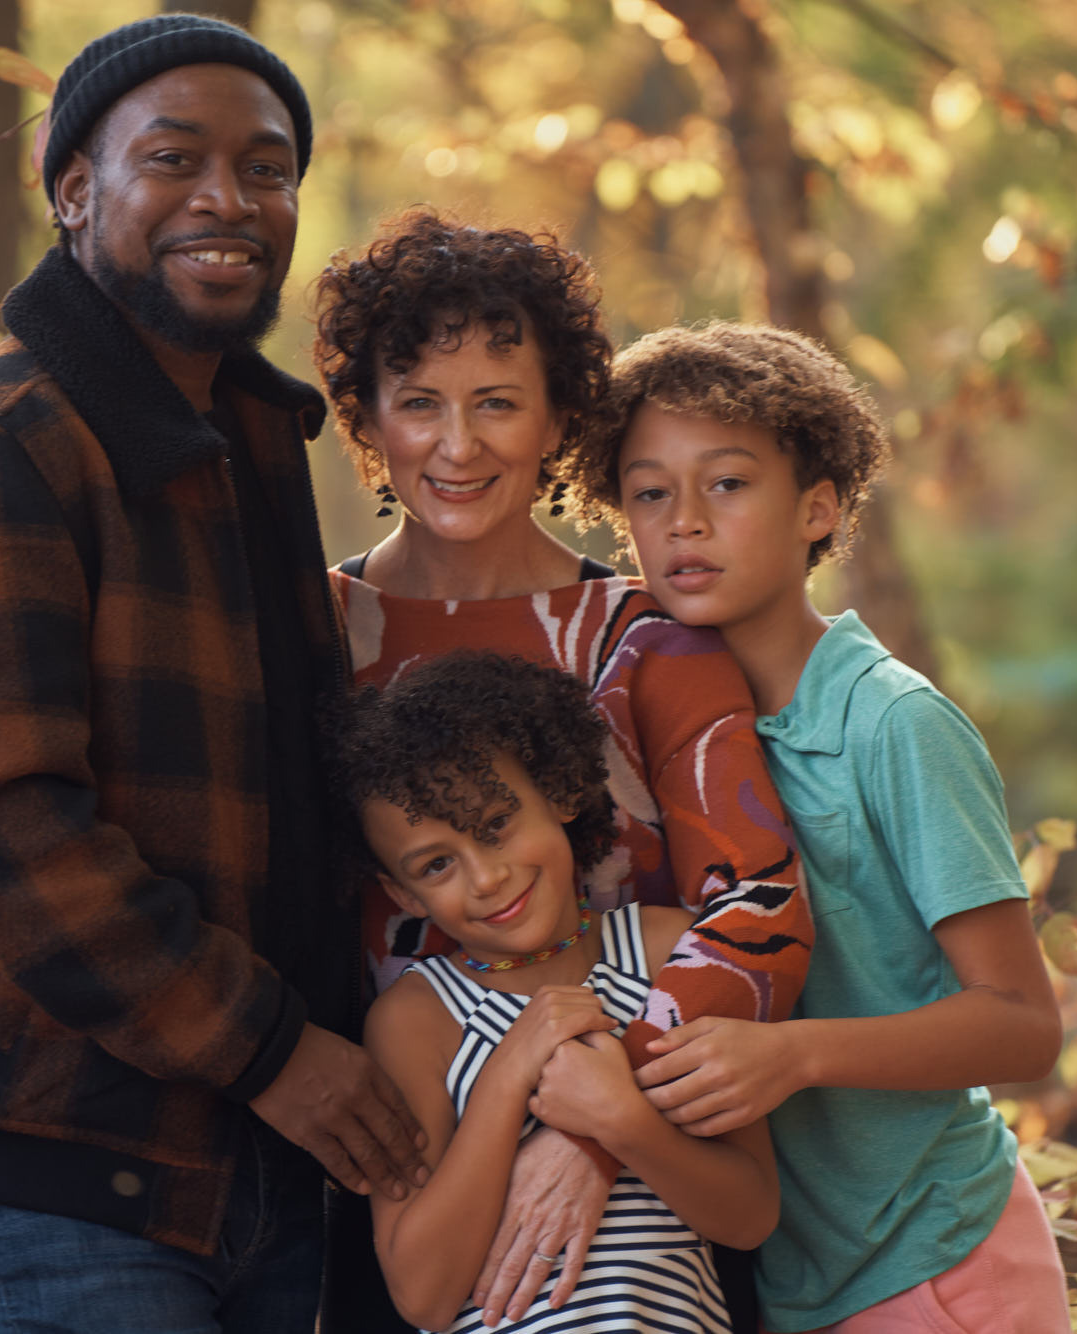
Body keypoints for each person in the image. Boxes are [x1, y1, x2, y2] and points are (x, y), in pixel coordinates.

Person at [0, 16, 427, 1332]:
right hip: (68, 1167)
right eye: (174, 157)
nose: (229, 198)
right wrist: (278, 1053)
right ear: (73, 192)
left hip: (258, 1160)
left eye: (267, 168)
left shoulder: (247, 444)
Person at [313, 214, 813, 1327]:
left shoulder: (647, 638)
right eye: (419, 403)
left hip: (652, 1203)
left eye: (496, 401)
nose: (458, 445)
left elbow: (756, 914)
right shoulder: (305, 633)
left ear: (556, 415)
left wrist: (600, 1117)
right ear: (367, 421)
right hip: (392, 1185)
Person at [565, 321, 1071, 1333]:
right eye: (649, 491)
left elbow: (1022, 1021)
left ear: (817, 507)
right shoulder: (633, 731)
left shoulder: (892, 722)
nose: (684, 523)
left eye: (727, 483)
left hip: (936, 1261)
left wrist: (791, 1053)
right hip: (785, 1282)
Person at [332, 652, 778, 1333]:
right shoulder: (416, 1020)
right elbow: (422, 1294)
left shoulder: (672, 953)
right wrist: (511, 1070)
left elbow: (749, 1217)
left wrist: (620, 1123)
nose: (485, 878)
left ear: (559, 791)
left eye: (495, 826)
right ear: (401, 892)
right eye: (437, 864)